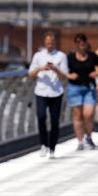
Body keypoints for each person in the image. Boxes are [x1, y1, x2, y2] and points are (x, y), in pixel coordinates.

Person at [28, 31, 68, 159]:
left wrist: (55, 69)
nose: (50, 45)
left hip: (56, 92)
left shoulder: (61, 56)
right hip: (41, 91)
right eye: (48, 43)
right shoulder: (38, 56)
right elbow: (30, 75)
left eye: (52, 43)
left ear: (55, 43)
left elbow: (64, 77)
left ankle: (52, 147)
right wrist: (41, 68)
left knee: (55, 121)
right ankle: (43, 144)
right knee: (41, 117)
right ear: (44, 43)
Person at [66, 33, 98, 150]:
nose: (81, 44)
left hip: (89, 88)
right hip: (75, 88)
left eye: (83, 41)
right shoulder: (70, 57)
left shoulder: (92, 56)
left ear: (86, 43)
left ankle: (89, 136)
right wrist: (70, 76)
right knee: (78, 116)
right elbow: (63, 70)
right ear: (75, 44)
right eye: (78, 42)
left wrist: (97, 73)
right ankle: (80, 141)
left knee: (88, 114)